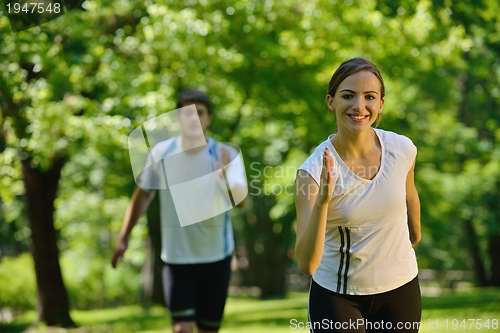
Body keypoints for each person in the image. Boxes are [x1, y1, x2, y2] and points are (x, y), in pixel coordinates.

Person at [294, 58, 421, 332]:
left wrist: (415, 232)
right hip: (338, 296)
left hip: (401, 288)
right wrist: (322, 203)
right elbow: (306, 263)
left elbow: (409, 193)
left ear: (381, 104)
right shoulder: (312, 172)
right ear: (331, 101)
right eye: (348, 95)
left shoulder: (402, 149)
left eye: (369, 97)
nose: (359, 106)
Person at [112, 89, 247, 333]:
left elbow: (241, 202)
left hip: (216, 257)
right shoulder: (161, 153)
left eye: (200, 113)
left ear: (209, 118)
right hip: (176, 259)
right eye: (187, 113)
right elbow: (143, 194)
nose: (193, 118)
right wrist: (124, 236)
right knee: (181, 330)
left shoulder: (225, 154)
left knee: (208, 329)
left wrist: (223, 176)